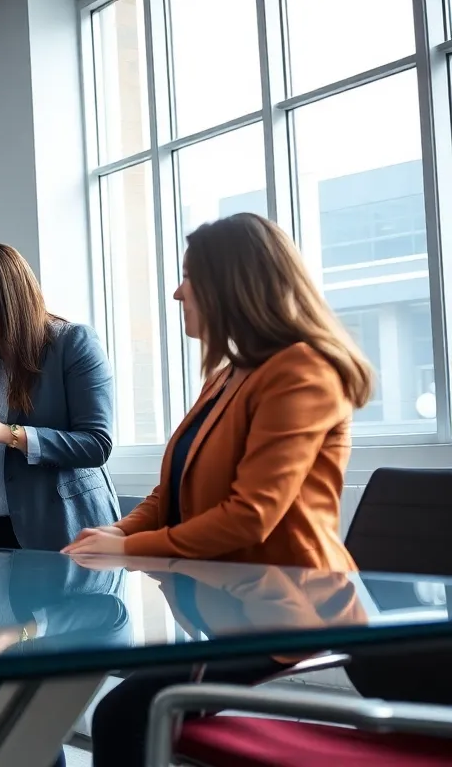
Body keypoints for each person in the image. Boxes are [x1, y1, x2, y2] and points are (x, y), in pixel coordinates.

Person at [61, 212, 373, 766]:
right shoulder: (229, 373)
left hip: (292, 608)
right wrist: (114, 533)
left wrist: (128, 551)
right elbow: (172, 490)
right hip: (224, 599)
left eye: (191, 277)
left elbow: (250, 516)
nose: (178, 292)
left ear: (235, 285)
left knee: (122, 713)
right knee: (126, 702)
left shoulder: (303, 369)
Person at [0, 244, 119, 552]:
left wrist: (8, 434)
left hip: (62, 531)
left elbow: (96, 444)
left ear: (12, 298)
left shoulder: (74, 343)